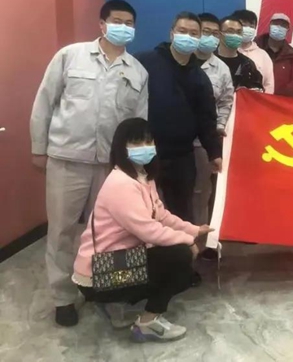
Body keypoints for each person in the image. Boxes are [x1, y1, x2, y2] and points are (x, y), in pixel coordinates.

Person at [30, 0, 148, 327]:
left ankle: (104, 293)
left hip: (111, 167)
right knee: (62, 230)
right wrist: (38, 148)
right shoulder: (71, 56)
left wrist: (134, 165)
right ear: (102, 24)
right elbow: (45, 102)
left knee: (112, 232)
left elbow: (139, 123)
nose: (123, 27)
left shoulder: (137, 71)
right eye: (117, 21)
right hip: (67, 159)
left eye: (129, 23)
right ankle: (63, 297)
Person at [73, 118, 213, 342]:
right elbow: (148, 231)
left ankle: (116, 302)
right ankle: (146, 322)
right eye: (136, 143)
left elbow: (161, 215)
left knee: (181, 266)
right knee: (179, 258)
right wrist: (187, 240)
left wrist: (194, 230)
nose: (145, 147)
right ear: (122, 147)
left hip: (117, 262)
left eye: (149, 142)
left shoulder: (142, 177)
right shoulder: (121, 184)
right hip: (100, 273)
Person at [136, 12, 222, 225]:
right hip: (144, 153)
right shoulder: (145, 61)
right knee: (143, 210)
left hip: (181, 157)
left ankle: (182, 246)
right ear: (172, 33)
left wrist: (214, 153)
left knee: (182, 212)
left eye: (194, 33)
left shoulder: (200, 77)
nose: (188, 37)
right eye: (183, 31)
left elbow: (206, 119)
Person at [193, 13, 233, 236]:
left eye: (215, 34)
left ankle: (198, 239)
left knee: (202, 192)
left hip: (203, 143)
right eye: (205, 32)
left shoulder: (221, 69)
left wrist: (219, 126)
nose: (209, 37)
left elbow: (226, 101)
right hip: (172, 142)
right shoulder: (176, 62)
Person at [255, 12, 293, 96]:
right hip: (257, 98)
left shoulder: (292, 55)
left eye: (283, 25)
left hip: (280, 101)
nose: (279, 27)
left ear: (288, 30)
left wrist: (278, 98)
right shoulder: (255, 48)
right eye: (276, 24)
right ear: (270, 26)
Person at [230, 9, 275, 94]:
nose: (248, 29)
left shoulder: (263, 55)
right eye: (244, 25)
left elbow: (269, 85)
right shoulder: (228, 53)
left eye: (251, 26)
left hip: (257, 101)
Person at [217, 15, 265, 92]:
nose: (235, 35)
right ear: (219, 34)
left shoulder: (247, 65)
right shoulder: (209, 60)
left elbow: (257, 91)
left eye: (239, 32)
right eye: (230, 31)